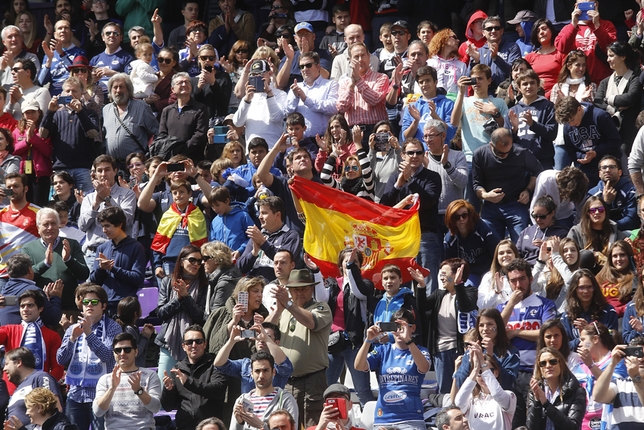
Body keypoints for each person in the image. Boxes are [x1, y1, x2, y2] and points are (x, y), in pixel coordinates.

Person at [266, 269, 332, 428]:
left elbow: (311, 322)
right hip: (287, 380)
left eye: (304, 288)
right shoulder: (286, 311)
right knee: (288, 424)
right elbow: (265, 332)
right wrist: (278, 310)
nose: (299, 293)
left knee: (313, 424)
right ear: (289, 291)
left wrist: (288, 304)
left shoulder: (321, 307)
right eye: (295, 289)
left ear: (312, 289)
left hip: (313, 379)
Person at [498, 258, 557, 428]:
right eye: (513, 280)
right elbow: (496, 334)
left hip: (536, 372)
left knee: (536, 422)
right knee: (514, 423)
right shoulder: (504, 307)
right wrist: (511, 305)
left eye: (522, 278)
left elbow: (547, 334)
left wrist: (516, 332)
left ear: (530, 279)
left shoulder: (544, 304)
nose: (518, 284)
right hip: (510, 373)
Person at [57, 283, 122, 430]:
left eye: (94, 302)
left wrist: (88, 334)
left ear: (104, 306)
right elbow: (61, 360)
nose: (89, 305)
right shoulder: (73, 328)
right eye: (86, 302)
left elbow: (107, 355)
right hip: (75, 394)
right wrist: (72, 339)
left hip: (101, 395)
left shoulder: (113, 327)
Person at [315, 248, 374, 406]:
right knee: (325, 387)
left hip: (354, 343)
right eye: (347, 261)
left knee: (362, 390)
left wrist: (351, 268)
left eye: (355, 261)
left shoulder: (365, 284)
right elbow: (321, 299)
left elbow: (358, 291)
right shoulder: (334, 284)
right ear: (340, 265)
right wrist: (315, 271)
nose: (350, 263)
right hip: (333, 342)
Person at [381, 138, 442, 291]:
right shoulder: (395, 178)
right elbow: (384, 206)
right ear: (403, 155)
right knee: (400, 283)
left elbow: (429, 201)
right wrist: (398, 185)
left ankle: (428, 315)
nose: (414, 156)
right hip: (400, 238)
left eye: (418, 152)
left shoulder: (433, 177)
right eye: (410, 153)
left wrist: (409, 180)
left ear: (424, 155)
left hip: (424, 235)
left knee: (427, 283)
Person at [355, 308, 431, 430]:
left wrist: (409, 341)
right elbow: (359, 366)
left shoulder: (421, 351)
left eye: (403, 327)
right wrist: (368, 340)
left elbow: (424, 367)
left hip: (411, 420)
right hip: (384, 419)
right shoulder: (383, 350)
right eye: (396, 327)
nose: (399, 331)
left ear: (413, 328)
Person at [414, 258, 478, 394]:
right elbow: (422, 307)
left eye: (444, 273)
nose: (441, 277)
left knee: (464, 390)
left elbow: (465, 306)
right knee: (445, 391)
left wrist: (459, 285)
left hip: (461, 351)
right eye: (440, 274)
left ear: (456, 274)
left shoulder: (470, 291)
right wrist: (421, 285)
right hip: (441, 351)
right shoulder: (439, 294)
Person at [472, 127, 543, 242]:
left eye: (508, 151)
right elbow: (476, 184)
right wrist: (486, 195)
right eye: (500, 153)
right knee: (491, 245)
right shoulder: (480, 154)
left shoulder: (521, 153)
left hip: (516, 204)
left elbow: (538, 171)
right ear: (491, 145)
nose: (505, 155)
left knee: (520, 244)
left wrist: (528, 190)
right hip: (491, 207)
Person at [451, 64, 507, 207]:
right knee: (470, 204)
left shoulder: (498, 102)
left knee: (493, 201)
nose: (476, 83)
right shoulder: (465, 101)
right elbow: (454, 121)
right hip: (470, 158)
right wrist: (460, 92)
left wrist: (495, 112)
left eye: (480, 79)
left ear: (489, 81)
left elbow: (507, 129)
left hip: (494, 157)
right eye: (473, 79)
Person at [160, 324, 228, 430]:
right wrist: (168, 390)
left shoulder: (216, 364)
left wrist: (188, 382)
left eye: (198, 341)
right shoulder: (177, 369)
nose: (194, 345)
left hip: (210, 427)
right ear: (183, 346)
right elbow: (168, 406)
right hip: (185, 426)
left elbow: (217, 390)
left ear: (205, 344)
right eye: (189, 342)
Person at [155, 245, 208, 379]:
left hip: (194, 345)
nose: (196, 264)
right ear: (182, 261)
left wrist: (186, 297)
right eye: (192, 260)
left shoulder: (204, 285)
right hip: (168, 343)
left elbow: (201, 317)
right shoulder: (168, 281)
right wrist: (178, 299)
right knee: (165, 386)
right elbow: (161, 313)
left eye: (199, 261)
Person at [40, 77, 100, 193]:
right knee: (61, 205)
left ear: (81, 93)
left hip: (83, 168)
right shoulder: (57, 114)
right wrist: (50, 112)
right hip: (61, 170)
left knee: (86, 203)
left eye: (74, 91)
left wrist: (80, 112)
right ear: (62, 93)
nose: (70, 94)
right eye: (67, 91)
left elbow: (93, 134)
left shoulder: (90, 113)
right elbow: (43, 134)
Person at [78, 155, 137, 269]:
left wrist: (107, 199)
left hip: (119, 252)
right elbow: (82, 226)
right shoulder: (89, 198)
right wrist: (95, 206)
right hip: (93, 254)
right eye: (99, 171)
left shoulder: (127, 194)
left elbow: (127, 221)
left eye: (107, 170)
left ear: (115, 171)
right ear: (94, 174)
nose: (103, 174)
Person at [93, 332, 162, 429]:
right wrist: (112, 388)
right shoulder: (105, 379)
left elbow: (156, 408)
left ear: (136, 352)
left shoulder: (150, 375)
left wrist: (139, 391)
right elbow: (98, 412)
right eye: (118, 350)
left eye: (127, 349)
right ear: (114, 353)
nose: (122, 353)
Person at [0, 290, 64, 392]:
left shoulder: (53, 335)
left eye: (30, 305)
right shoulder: (9, 330)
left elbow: (58, 367)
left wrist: (44, 386)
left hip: (39, 392)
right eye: (22, 306)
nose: (25, 309)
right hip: (10, 391)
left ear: (41, 308)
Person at [554, 95, 622, 188]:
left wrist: (596, 152)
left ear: (579, 109)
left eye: (572, 120)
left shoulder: (600, 116)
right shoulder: (568, 126)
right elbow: (570, 150)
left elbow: (615, 141)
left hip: (606, 167)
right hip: (585, 170)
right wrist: (582, 156)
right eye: (568, 122)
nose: (571, 124)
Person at [90, 206, 146, 316]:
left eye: (107, 226)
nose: (104, 230)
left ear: (120, 224)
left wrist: (113, 269)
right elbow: (94, 281)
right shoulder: (102, 248)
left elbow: (138, 278)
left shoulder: (136, 247)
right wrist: (102, 269)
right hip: (105, 306)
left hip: (126, 307)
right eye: (102, 226)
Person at [150, 180, 208, 279]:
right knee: (170, 293)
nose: (178, 195)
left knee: (189, 293)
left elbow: (202, 243)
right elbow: (158, 242)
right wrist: (157, 265)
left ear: (190, 193)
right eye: (175, 193)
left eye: (182, 192)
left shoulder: (197, 214)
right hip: (169, 261)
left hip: (191, 262)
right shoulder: (168, 215)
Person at [214, 321, 293, 392]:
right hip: (249, 407)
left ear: (276, 342)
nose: (261, 339)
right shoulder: (246, 364)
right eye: (258, 335)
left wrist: (266, 338)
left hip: (273, 406)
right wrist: (231, 341)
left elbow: (286, 367)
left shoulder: (278, 365)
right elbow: (219, 364)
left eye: (267, 336)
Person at [236, 196, 302, 282]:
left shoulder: (291, 236)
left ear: (277, 215)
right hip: (254, 290)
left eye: (264, 213)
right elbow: (239, 268)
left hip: (277, 290)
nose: (260, 217)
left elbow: (284, 261)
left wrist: (263, 243)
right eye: (259, 213)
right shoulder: (258, 236)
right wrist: (254, 253)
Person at [454, 308, 521, 391]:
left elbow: (508, 383)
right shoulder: (471, 351)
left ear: (498, 326)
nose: (485, 328)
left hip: (499, 401)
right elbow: (460, 383)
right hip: (476, 401)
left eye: (490, 324)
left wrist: (492, 357)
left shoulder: (511, 352)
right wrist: (470, 362)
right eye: (481, 325)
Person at [229, 350, 299, 430]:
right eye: (257, 371)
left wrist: (261, 425)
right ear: (251, 373)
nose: (261, 376)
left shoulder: (285, 399)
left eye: (265, 370)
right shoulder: (242, 400)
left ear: (273, 372)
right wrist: (240, 423)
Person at [454, 344, 517, 430]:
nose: (483, 375)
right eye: (480, 372)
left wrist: (483, 364)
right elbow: (458, 402)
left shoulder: (509, 395)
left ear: (496, 373)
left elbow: (496, 394)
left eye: (488, 371)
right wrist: (475, 369)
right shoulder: (471, 399)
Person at [101, 73, 159, 167]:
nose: (118, 90)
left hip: (135, 166)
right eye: (115, 87)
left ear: (128, 89)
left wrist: (150, 154)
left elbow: (157, 132)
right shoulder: (106, 110)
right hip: (113, 166)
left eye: (121, 87)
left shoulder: (141, 107)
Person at [504, 69, 557, 169]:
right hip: (518, 161)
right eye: (525, 84)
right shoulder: (512, 111)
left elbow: (552, 133)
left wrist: (533, 124)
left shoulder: (548, 107)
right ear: (519, 87)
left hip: (543, 160)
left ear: (538, 85)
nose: (529, 86)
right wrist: (514, 130)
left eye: (532, 83)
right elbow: (506, 141)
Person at [595, 41, 641, 154]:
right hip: (610, 131)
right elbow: (597, 102)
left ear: (623, 57)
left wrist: (608, 99)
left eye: (611, 56)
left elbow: (630, 98)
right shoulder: (605, 82)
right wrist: (615, 108)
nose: (608, 60)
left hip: (629, 131)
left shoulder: (635, 77)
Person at [554, 0, 617, 84]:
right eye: (582, 5)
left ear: (596, 5)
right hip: (575, 81)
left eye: (589, 4)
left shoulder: (606, 25)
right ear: (576, 6)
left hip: (601, 80)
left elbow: (610, 48)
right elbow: (562, 48)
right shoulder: (568, 28)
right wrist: (573, 24)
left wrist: (597, 25)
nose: (586, 10)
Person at [526, 347, 587, 430]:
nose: (548, 366)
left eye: (553, 362)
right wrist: (537, 402)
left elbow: (573, 427)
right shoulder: (535, 391)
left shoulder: (577, 391)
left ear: (560, 364)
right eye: (543, 363)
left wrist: (546, 404)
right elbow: (531, 428)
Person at [443, 199, 500, 285]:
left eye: (464, 215)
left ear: (470, 215)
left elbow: (497, 253)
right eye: (456, 217)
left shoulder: (485, 229)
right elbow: (451, 265)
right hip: (470, 274)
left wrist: (495, 272)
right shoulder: (449, 239)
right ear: (451, 219)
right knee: (467, 289)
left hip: (490, 270)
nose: (461, 219)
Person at [336, 42, 388, 135]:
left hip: (376, 129)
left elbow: (374, 100)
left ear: (369, 57)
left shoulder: (381, 77)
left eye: (363, 55)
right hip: (353, 131)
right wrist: (352, 85)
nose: (360, 60)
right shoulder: (345, 82)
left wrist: (358, 81)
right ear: (350, 60)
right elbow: (341, 108)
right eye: (356, 57)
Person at [560, 269, 618, 349]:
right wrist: (581, 339)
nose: (586, 291)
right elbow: (563, 347)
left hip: (603, 357)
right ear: (574, 289)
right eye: (581, 287)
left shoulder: (608, 311)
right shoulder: (567, 315)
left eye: (589, 287)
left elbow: (613, 339)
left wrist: (590, 331)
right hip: (576, 358)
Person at [285, 51, 338, 139]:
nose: (305, 69)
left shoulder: (331, 85)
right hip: (299, 141)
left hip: (323, 139)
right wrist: (295, 97)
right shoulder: (295, 87)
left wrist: (306, 99)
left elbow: (334, 108)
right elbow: (287, 113)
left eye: (308, 65)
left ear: (318, 66)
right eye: (301, 66)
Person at [157, 72, 208, 163]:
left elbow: (200, 134)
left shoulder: (200, 109)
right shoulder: (167, 111)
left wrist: (182, 151)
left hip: (192, 159)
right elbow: (162, 134)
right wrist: (172, 150)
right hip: (170, 158)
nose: (184, 84)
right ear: (173, 89)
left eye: (187, 82)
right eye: (180, 83)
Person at [3, 347, 62, 426]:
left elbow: (55, 410)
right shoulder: (19, 388)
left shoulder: (40, 377)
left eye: (7, 364)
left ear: (18, 362)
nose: (4, 369)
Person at [0, 254, 62, 327]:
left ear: (9, 274)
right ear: (30, 270)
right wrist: (55, 297)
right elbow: (52, 318)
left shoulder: (3, 291)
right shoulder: (34, 291)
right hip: (23, 336)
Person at [0, 173, 39, 284]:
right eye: (8, 187)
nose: (12, 190)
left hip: (27, 273)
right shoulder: (1, 214)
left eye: (16, 186)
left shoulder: (38, 213)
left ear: (25, 189)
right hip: (4, 274)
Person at [401, 67, 456, 144]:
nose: (424, 84)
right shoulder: (411, 107)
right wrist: (416, 121)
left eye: (428, 80)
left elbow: (451, 134)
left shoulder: (448, 104)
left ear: (435, 82)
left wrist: (435, 116)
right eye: (421, 82)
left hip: (440, 154)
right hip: (418, 154)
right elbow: (405, 138)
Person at [12, 100, 51, 207]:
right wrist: (26, 141)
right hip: (22, 174)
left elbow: (48, 151)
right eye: (27, 112)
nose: (30, 115)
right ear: (23, 114)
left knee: (39, 206)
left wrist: (33, 137)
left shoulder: (45, 129)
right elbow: (13, 150)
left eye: (32, 112)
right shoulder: (17, 130)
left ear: (39, 112)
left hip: (40, 174)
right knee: (24, 204)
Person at [567, 196, 627, 264]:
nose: (597, 212)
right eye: (593, 210)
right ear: (587, 213)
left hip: (608, 270)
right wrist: (593, 254)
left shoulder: (614, 232)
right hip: (584, 272)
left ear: (605, 211)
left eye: (601, 209)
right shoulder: (576, 232)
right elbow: (568, 253)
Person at [469, 16, 521, 92]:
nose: (493, 31)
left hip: (506, 94)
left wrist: (496, 58)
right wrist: (475, 62)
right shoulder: (478, 52)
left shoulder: (512, 47)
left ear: (502, 31)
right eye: (489, 29)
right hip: (484, 96)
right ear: (483, 32)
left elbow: (515, 72)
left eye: (497, 28)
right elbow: (470, 79)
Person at [588, 156, 638, 232]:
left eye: (612, 167)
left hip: (624, 233)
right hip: (599, 232)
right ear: (599, 173)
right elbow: (588, 219)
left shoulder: (631, 191)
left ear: (620, 172)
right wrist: (606, 203)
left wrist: (607, 226)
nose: (608, 170)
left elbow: (631, 221)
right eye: (604, 168)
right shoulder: (592, 194)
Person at [532, 237, 581, 312]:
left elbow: (569, 281)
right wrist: (540, 262)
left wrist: (556, 257)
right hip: (547, 317)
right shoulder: (547, 274)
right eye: (565, 251)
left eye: (573, 250)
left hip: (567, 316)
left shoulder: (581, 273)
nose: (569, 253)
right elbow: (532, 287)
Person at [516, 195, 568, 265]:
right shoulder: (526, 231)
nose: (538, 220)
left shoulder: (561, 233)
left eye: (542, 217)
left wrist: (547, 248)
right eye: (535, 216)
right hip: (525, 268)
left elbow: (566, 255)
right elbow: (516, 254)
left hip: (547, 268)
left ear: (552, 213)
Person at [525, 19, 566, 99]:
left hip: (556, 95)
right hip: (533, 96)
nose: (541, 32)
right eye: (537, 31)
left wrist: (548, 95)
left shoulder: (561, 54)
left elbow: (565, 77)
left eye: (544, 29)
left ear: (551, 30)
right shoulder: (529, 57)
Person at [5, 387, 73, 430]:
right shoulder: (30, 427)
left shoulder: (63, 428)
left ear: (39, 407)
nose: (26, 413)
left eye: (28, 408)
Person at [201, 241, 242, 314]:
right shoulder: (214, 279)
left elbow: (216, 317)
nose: (202, 262)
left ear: (216, 259)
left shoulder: (225, 283)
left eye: (205, 258)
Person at [114, 296, 155, 368]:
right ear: (136, 313)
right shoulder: (128, 330)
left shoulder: (133, 327)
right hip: (133, 370)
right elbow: (136, 352)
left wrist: (144, 334)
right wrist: (145, 337)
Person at [426, 29, 467, 96]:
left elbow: (464, 90)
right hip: (434, 101)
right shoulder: (429, 63)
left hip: (455, 103)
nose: (458, 40)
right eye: (454, 37)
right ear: (444, 39)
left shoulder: (461, 65)